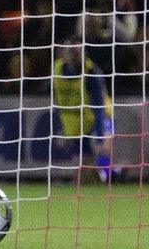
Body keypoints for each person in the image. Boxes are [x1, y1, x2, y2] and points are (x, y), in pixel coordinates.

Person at [51, 40, 119, 183]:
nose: (74, 55)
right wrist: (60, 127)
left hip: (99, 116)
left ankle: (111, 175)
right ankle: (112, 173)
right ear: (64, 53)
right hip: (76, 121)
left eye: (78, 51)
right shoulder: (56, 70)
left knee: (102, 150)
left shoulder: (91, 73)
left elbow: (98, 106)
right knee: (84, 164)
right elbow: (58, 101)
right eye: (71, 52)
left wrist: (100, 135)